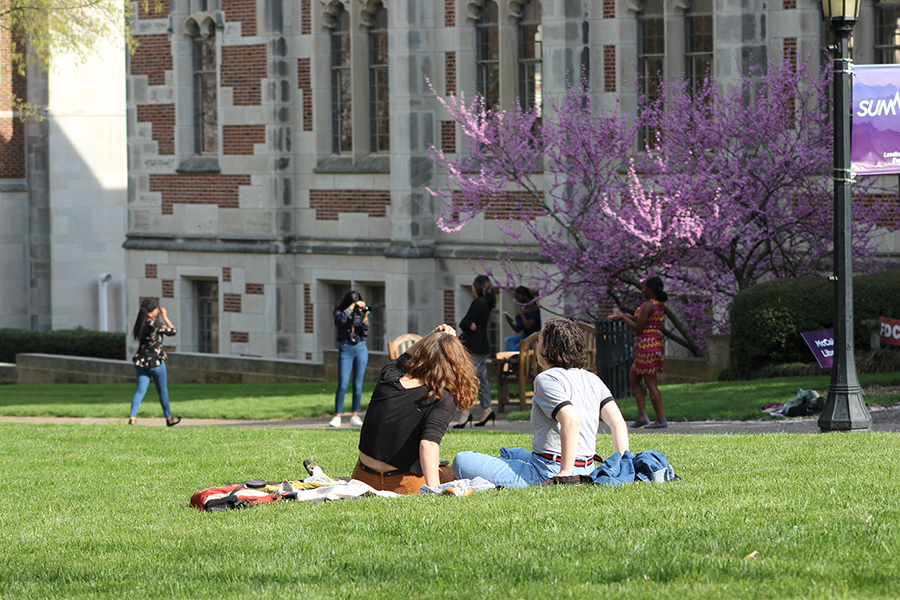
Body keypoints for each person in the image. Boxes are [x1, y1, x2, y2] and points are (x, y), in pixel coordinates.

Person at [452, 317, 629, 487]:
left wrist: (566, 473)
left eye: (540, 340)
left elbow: (570, 421)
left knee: (462, 460)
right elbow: (618, 423)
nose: (537, 345)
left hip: (548, 469)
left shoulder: (547, 379)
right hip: (587, 468)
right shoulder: (592, 379)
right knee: (512, 452)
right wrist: (622, 467)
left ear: (548, 348)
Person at [352, 325, 479, 494]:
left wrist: (434, 334)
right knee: (450, 473)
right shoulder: (443, 398)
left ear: (423, 353)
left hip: (362, 477)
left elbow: (408, 354)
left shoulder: (389, 375)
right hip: (401, 482)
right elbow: (428, 444)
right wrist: (434, 490)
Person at [610, 276, 668, 428]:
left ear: (650, 289)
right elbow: (639, 318)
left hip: (647, 346)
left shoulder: (649, 305)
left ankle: (661, 419)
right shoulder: (657, 304)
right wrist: (623, 317)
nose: (642, 290)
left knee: (651, 383)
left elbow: (639, 326)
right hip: (650, 345)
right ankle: (642, 415)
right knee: (634, 379)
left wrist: (623, 316)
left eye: (644, 287)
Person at [128, 297, 180, 426]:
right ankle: (169, 418)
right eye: (157, 309)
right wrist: (165, 317)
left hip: (141, 361)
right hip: (156, 361)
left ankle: (132, 417)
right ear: (155, 309)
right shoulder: (156, 324)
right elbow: (173, 331)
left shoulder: (141, 322)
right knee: (162, 390)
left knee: (140, 390)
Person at [453, 275, 496, 428]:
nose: (472, 287)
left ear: (478, 286)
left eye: (473, 285)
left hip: (474, 345)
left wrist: (468, 324)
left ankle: (465, 413)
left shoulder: (478, 302)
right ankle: (487, 409)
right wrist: (469, 323)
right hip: (482, 344)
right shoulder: (487, 303)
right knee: (482, 378)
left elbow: (464, 322)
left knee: (469, 378)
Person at [331, 291, 369, 428]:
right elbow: (340, 322)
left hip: (360, 348)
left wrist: (364, 318)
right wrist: (351, 308)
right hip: (346, 347)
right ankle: (337, 416)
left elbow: (365, 332)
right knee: (343, 383)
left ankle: (355, 415)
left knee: (358, 385)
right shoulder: (340, 312)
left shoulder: (361, 313)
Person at [503, 286, 542, 351]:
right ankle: (512, 357)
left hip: (534, 338)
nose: (516, 300)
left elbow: (529, 326)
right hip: (525, 337)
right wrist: (510, 322)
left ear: (525, 296)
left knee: (518, 346)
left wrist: (521, 315)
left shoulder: (534, 309)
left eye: (518, 297)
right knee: (508, 340)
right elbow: (518, 329)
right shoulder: (522, 309)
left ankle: (516, 359)